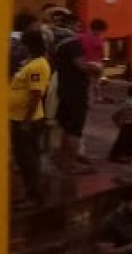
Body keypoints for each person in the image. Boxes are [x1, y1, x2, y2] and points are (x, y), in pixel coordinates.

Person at [52, 23, 102, 174]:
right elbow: (81, 65)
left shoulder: (57, 46)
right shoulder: (72, 44)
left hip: (64, 89)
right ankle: (71, 164)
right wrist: (96, 69)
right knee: (75, 129)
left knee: (67, 127)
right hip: (76, 91)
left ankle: (63, 161)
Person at [9, 29, 50, 205]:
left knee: (28, 160)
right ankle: (30, 193)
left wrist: (26, 121)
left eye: (24, 44)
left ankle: (34, 196)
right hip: (18, 118)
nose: (21, 47)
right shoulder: (29, 63)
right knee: (24, 159)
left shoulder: (38, 66)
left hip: (28, 121)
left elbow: (35, 95)